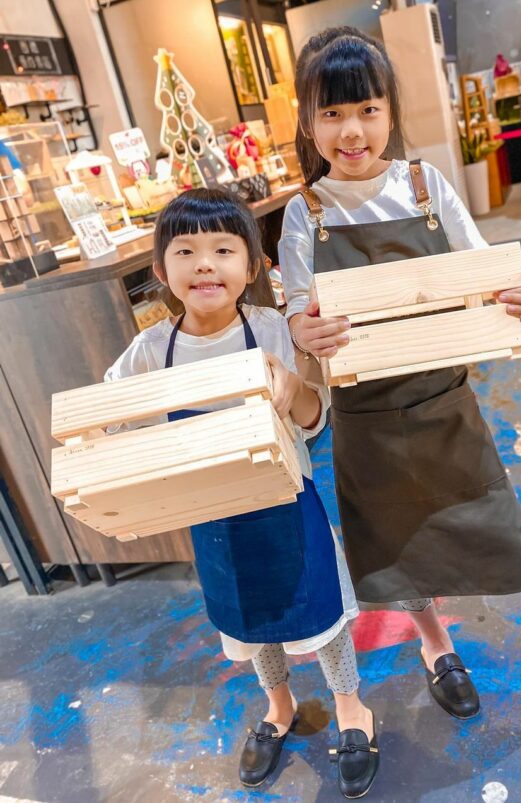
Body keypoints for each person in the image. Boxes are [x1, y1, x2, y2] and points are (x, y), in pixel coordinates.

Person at [279, 28, 521, 743]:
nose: (351, 130)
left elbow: (493, 278)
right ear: (307, 121)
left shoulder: (426, 188)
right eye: (331, 113)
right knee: (396, 546)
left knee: (508, 530)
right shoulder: (304, 214)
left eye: (365, 108)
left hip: (445, 404)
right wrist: (300, 336)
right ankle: (436, 645)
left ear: (390, 111)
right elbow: (297, 320)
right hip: (363, 419)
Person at [105, 189, 379, 798]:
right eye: (187, 251)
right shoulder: (151, 353)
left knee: (324, 614)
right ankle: (279, 707)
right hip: (216, 519)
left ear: (251, 268)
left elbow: (314, 419)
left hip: (288, 506)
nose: (206, 263)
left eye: (224, 249)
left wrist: (292, 387)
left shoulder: (273, 329)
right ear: (161, 271)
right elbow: (110, 414)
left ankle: (350, 706)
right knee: (250, 622)